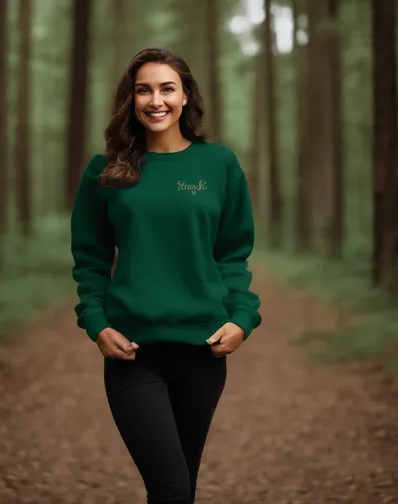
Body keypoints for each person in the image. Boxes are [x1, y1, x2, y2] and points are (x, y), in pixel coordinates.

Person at [69, 47, 262, 504]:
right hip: (134, 354)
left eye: (167, 88)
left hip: (203, 352)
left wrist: (242, 318)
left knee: (180, 489)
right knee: (172, 489)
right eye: (144, 90)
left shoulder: (218, 166)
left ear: (185, 96)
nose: (155, 100)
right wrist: (96, 323)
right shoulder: (106, 171)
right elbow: (90, 258)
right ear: (130, 100)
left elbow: (233, 254)